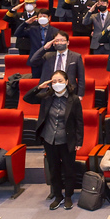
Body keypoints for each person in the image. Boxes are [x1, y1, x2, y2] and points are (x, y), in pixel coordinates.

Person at [24, 70, 83, 210]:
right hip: (49, 139)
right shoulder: (46, 97)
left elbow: (79, 122)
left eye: (60, 81)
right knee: (54, 169)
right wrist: (39, 87)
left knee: (69, 169)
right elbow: (27, 98)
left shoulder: (73, 99)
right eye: (54, 81)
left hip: (67, 140)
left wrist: (79, 142)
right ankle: (58, 196)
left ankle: (68, 196)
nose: (57, 84)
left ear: (67, 82)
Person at [29, 31, 86, 98]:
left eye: (62, 40)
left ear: (68, 42)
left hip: (69, 91)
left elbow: (81, 77)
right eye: (57, 41)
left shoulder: (76, 57)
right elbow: (33, 61)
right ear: (53, 43)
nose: (59, 43)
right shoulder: (47, 56)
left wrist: (80, 94)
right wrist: (44, 48)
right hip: (49, 90)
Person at [14, 9, 59, 78]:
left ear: (49, 18)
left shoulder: (55, 30)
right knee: (36, 81)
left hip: (49, 60)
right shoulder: (33, 29)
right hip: (35, 59)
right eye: (40, 16)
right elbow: (17, 33)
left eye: (44, 16)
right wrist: (26, 23)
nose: (42, 18)